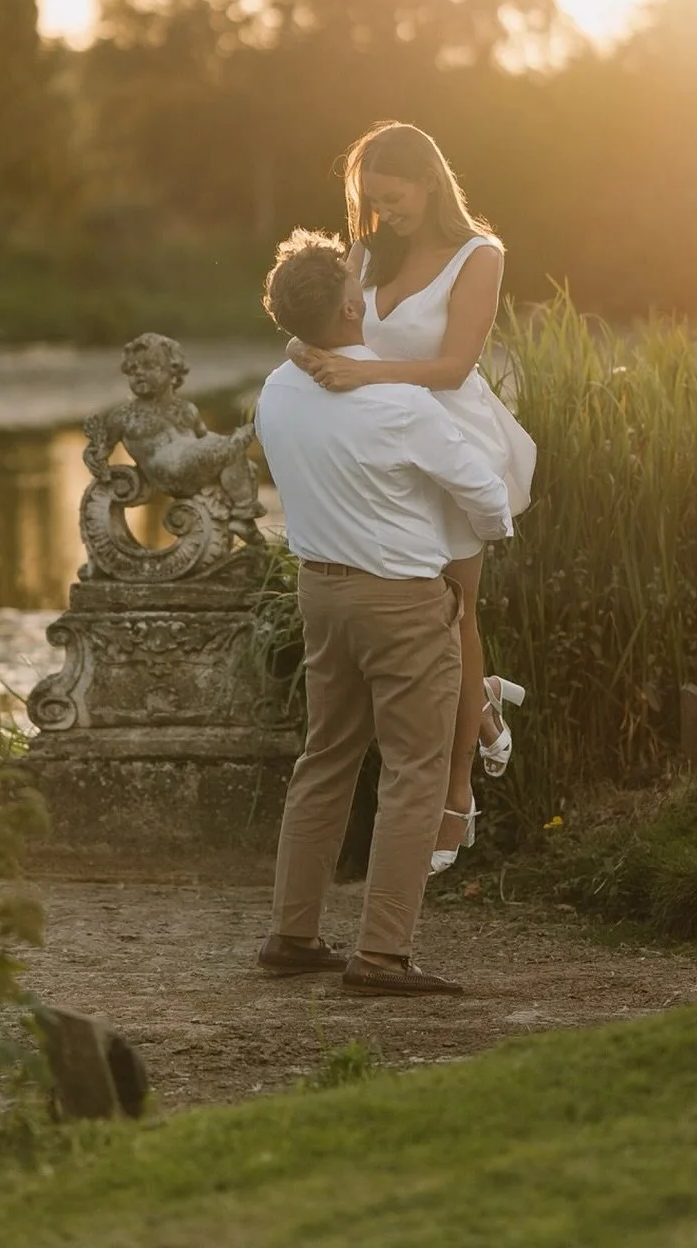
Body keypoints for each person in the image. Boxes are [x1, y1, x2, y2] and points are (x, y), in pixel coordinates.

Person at [255, 230, 512, 995]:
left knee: (326, 757)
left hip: (321, 593)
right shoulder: (399, 402)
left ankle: (292, 934)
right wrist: (456, 543)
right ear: (348, 304)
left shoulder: (276, 389)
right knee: (414, 771)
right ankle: (383, 954)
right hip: (401, 600)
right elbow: (491, 504)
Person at [290, 122, 535, 872]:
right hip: (377, 449)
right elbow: (323, 333)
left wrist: (360, 376)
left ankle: (456, 796)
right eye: (371, 201)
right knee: (418, 615)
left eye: (392, 198)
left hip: (449, 443)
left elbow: (457, 367)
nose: (381, 212)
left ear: (429, 183)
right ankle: (481, 705)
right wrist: (301, 351)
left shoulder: (478, 256)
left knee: (454, 612)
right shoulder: (366, 252)